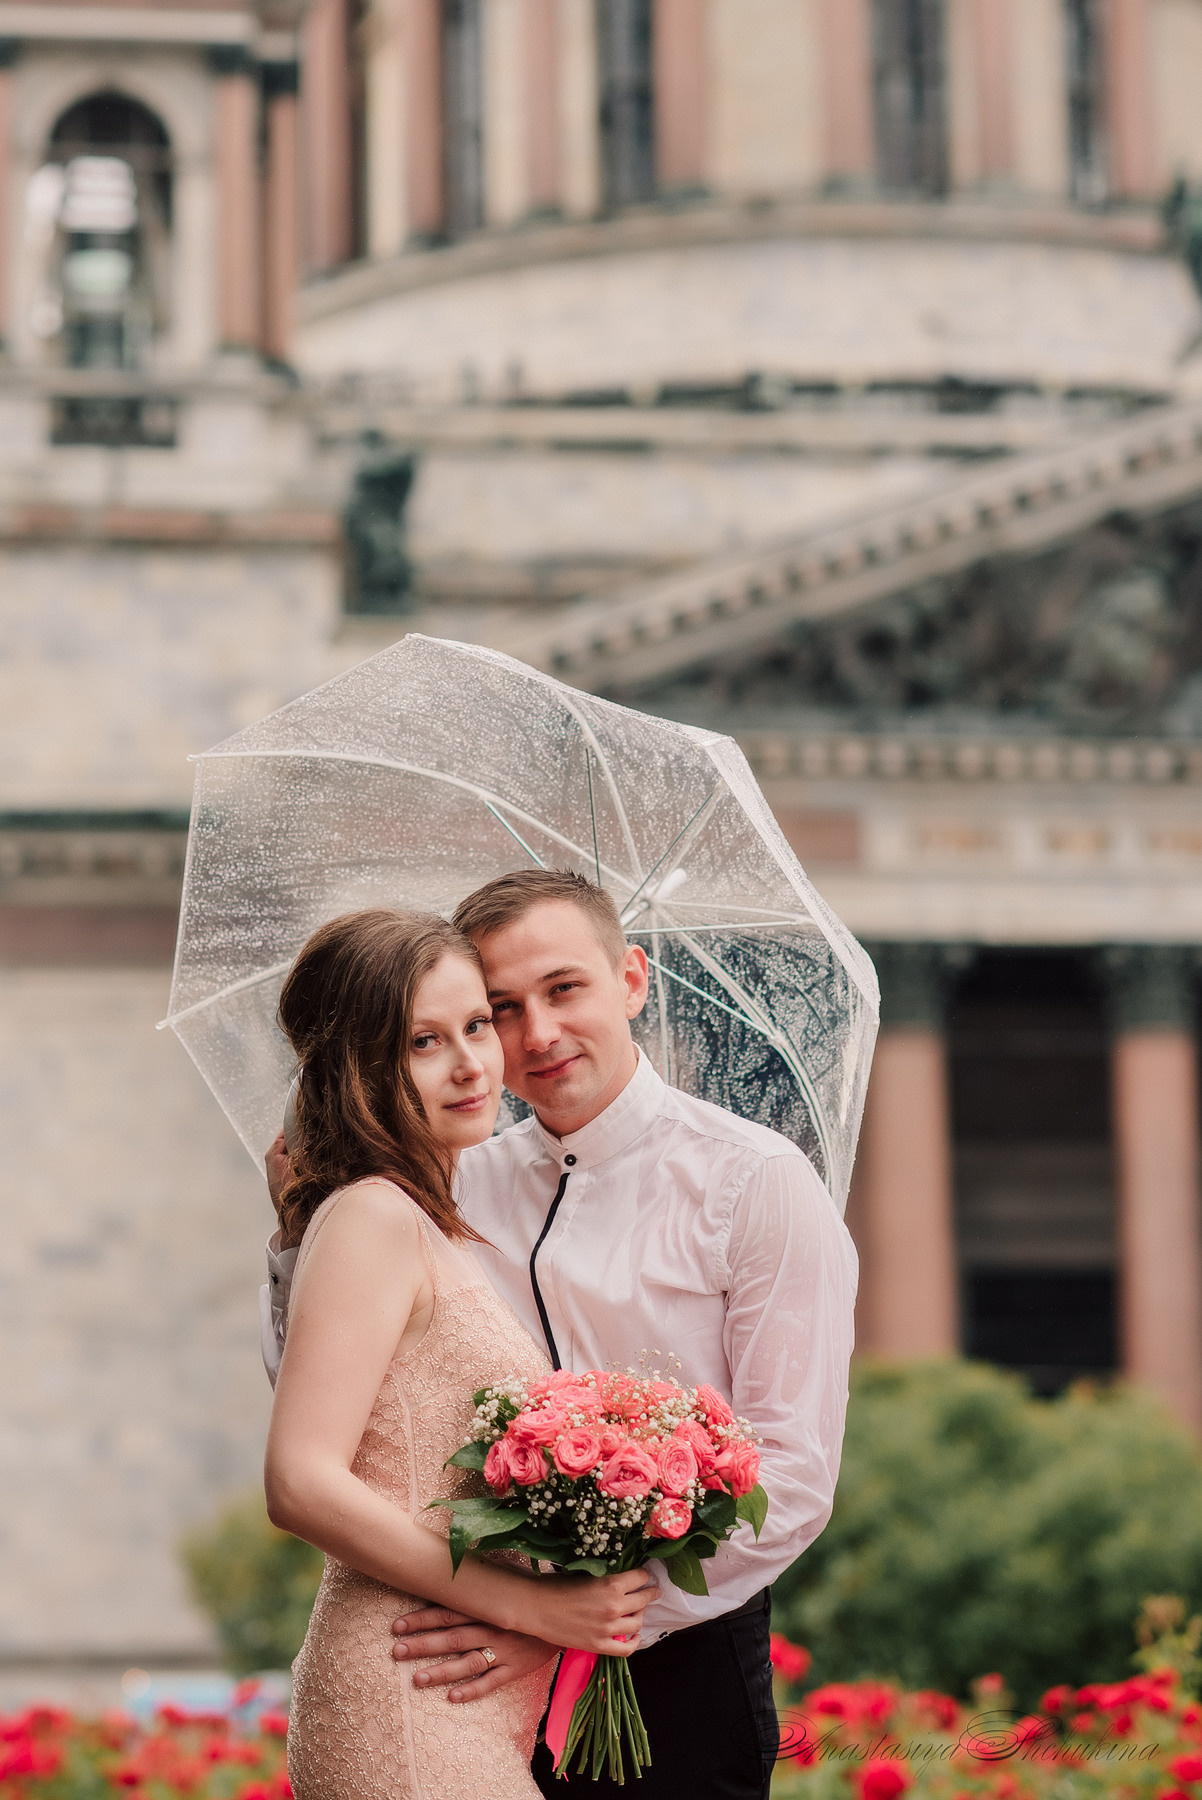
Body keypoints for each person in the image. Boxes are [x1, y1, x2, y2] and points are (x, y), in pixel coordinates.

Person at [385, 870, 858, 1800]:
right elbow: (352, 1399)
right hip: (471, 1661)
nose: (539, 1035)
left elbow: (793, 1479)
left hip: (681, 1667)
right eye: (501, 1010)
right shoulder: (450, 1185)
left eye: (566, 990)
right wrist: (294, 1237)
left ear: (633, 980)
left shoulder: (757, 1181)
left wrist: (579, 1618)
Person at [260, 908, 654, 1800]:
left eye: (477, 1025)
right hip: (410, 1682)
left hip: (465, 1694)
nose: (473, 1063)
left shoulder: (428, 1217)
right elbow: (300, 1480)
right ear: (360, 1068)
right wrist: (534, 1607)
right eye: (423, 1043)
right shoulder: (373, 1216)